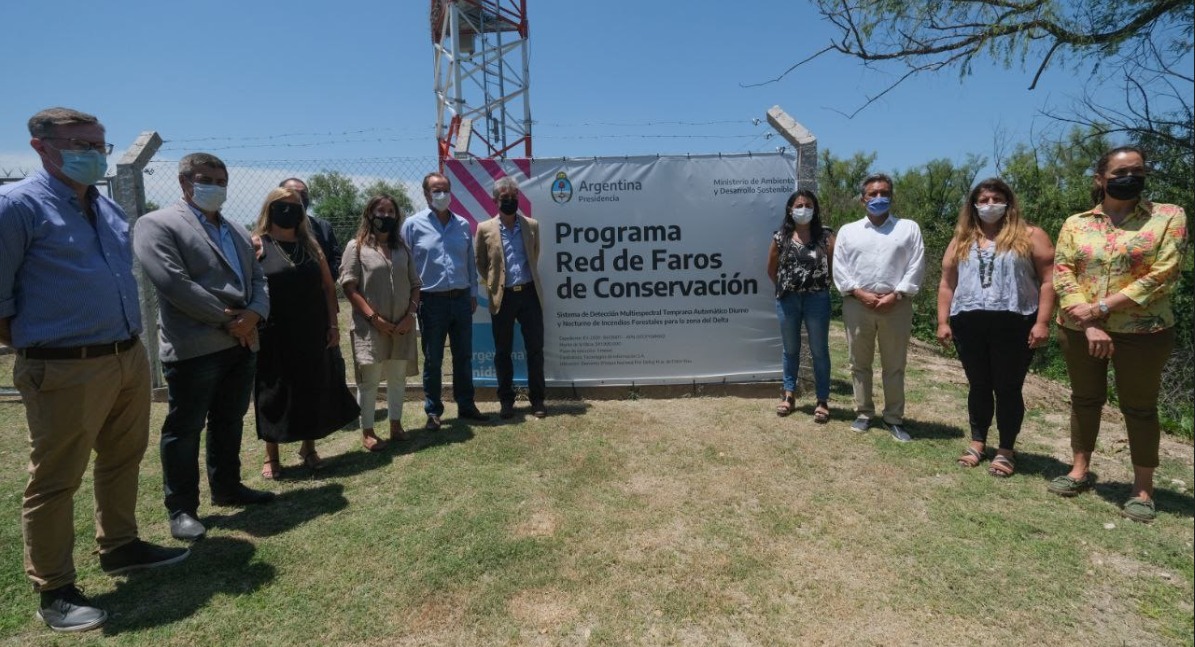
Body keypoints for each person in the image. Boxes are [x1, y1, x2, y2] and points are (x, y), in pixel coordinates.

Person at [0, 107, 187, 633]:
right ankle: (55, 589)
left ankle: (120, 546)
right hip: (64, 366)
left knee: (122, 458)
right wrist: (46, 349)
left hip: (126, 354)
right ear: (41, 147)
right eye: (79, 143)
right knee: (57, 479)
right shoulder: (16, 208)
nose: (92, 153)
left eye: (98, 145)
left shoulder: (104, 206)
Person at [133, 152, 275, 543]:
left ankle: (227, 487)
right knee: (185, 427)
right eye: (206, 178)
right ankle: (181, 509)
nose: (215, 186)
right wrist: (232, 321)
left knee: (229, 420)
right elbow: (174, 284)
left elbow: (258, 279)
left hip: (243, 341)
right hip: (197, 345)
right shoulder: (157, 224)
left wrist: (255, 315)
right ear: (184, 182)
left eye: (221, 180)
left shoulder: (237, 230)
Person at [1047, 146, 1187, 522]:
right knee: (1085, 399)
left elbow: (1164, 273)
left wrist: (1103, 308)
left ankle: (1142, 488)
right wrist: (1090, 321)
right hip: (1080, 329)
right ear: (1100, 179)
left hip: (1143, 331)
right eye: (1120, 172)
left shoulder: (1168, 216)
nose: (1130, 178)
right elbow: (1062, 271)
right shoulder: (1077, 223)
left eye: (1137, 171)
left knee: (1139, 407)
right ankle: (1079, 470)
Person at [936, 178, 1055, 477]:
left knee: (1008, 387)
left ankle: (1005, 449)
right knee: (978, 384)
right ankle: (978, 442)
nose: (990, 205)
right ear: (974, 205)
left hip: (1015, 321)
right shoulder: (962, 238)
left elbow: (1049, 280)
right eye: (984, 199)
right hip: (969, 321)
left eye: (996, 198)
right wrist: (942, 321)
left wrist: (1042, 322)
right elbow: (947, 282)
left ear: (1009, 201)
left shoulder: (1031, 236)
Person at [252, 188, 359, 478]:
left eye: (295, 206)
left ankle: (308, 448)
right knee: (272, 392)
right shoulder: (257, 244)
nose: (289, 211)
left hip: (311, 328)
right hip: (273, 331)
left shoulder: (310, 245)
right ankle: (271, 455)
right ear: (269, 208)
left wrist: (332, 325)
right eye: (282, 206)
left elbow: (328, 286)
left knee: (310, 387)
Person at [832, 173, 926, 441]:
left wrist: (896, 296)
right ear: (863, 199)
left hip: (896, 305)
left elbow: (916, 265)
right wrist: (860, 294)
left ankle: (894, 418)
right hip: (857, 304)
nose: (879, 198)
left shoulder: (908, 228)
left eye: (884, 193)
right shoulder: (849, 231)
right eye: (872, 194)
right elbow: (839, 267)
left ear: (891, 196)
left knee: (894, 364)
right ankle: (863, 413)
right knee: (859, 363)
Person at [401, 172, 489, 429]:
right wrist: (412, 302)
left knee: (464, 356)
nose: (441, 194)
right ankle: (433, 411)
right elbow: (406, 265)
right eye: (436, 190)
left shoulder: (462, 224)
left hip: (461, 299)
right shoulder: (412, 225)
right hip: (431, 301)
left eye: (445, 189)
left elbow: (470, 262)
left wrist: (473, 293)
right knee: (433, 358)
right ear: (426, 194)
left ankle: (466, 405)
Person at [340, 195, 422, 449]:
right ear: (369, 214)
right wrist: (374, 319)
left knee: (398, 377)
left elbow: (416, 285)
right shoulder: (356, 247)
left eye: (390, 212)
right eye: (380, 211)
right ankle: (368, 431)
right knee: (371, 379)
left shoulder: (402, 248)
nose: (385, 216)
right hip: (370, 328)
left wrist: (410, 315)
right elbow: (350, 287)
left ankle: (396, 424)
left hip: (402, 326)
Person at [474, 177, 547, 420]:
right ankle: (506, 401)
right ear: (495, 200)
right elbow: (481, 263)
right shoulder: (484, 229)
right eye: (505, 198)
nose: (510, 201)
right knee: (502, 351)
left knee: (535, 349)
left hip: (529, 294)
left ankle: (538, 400)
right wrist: (497, 283)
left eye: (514, 196)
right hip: (502, 297)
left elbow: (533, 256)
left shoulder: (532, 225)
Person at [766, 189, 834, 423]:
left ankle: (822, 400)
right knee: (790, 349)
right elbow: (771, 270)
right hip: (788, 300)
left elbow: (834, 268)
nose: (803, 209)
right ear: (789, 209)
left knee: (819, 350)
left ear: (814, 209)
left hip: (817, 299)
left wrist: (818, 286)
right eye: (799, 205)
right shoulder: (780, 238)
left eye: (808, 205)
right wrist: (787, 287)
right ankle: (788, 395)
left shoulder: (825, 237)